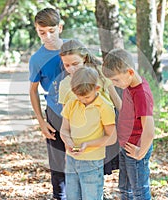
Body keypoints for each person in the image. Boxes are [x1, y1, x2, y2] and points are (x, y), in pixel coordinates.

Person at [59, 39, 121, 175]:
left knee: (99, 173)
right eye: (67, 65)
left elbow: (116, 100)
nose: (71, 69)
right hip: (81, 136)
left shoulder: (100, 73)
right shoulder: (64, 85)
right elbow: (66, 121)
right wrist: (67, 148)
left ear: (84, 58)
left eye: (75, 64)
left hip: (104, 130)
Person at [102, 48, 155, 200]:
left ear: (130, 72)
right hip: (126, 146)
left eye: (116, 80)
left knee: (139, 191)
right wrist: (110, 87)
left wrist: (140, 152)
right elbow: (122, 108)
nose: (115, 83)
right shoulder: (129, 86)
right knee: (125, 189)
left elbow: (150, 131)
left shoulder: (140, 94)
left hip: (136, 148)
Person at [60, 67, 117, 200]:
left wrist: (88, 144)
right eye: (79, 97)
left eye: (87, 97)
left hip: (92, 161)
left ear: (97, 88)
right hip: (71, 159)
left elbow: (112, 137)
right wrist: (67, 140)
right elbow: (64, 129)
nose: (83, 100)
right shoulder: (71, 103)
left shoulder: (105, 107)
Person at [28, 8, 67, 200]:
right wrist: (42, 122)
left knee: (85, 160)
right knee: (58, 164)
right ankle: (60, 196)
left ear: (60, 27)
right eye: (42, 32)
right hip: (54, 115)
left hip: (82, 114)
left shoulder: (74, 47)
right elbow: (33, 90)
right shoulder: (37, 59)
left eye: (52, 31)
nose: (47, 36)